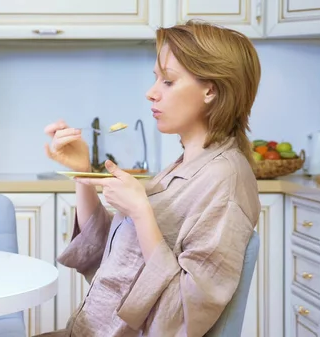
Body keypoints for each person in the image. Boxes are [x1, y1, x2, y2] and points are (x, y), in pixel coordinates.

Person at [38, 20, 262, 337]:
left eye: (168, 81)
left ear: (210, 89)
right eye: (155, 79)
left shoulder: (226, 180)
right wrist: (83, 174)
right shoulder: (187, 163)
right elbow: (113, 260)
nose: (151, 93)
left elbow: (184, 316)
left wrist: (141, 212)